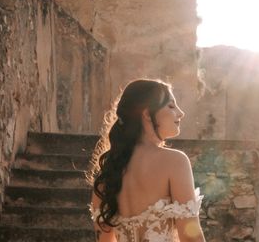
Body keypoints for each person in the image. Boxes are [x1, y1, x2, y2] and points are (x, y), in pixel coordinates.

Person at [87, 79, 206, 242]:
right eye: (171, 106)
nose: (180, 113)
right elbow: (191, 237)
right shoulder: (175, 161)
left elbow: (104, 240)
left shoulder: (108, 172)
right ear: (146, 114)